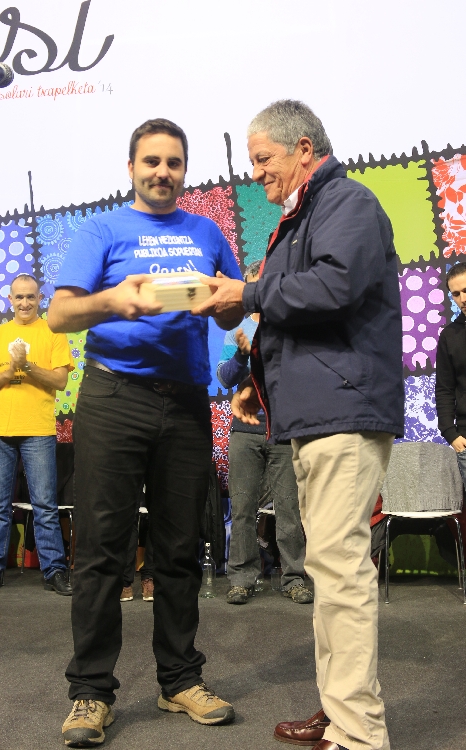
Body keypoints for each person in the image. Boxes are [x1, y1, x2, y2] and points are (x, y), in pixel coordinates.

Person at [192, 100, 404, 750]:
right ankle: (339, 709)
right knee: (328, 570)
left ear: (304, 149)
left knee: (339, 574)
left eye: (263, 159)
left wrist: (248, 292)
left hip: (343, 413)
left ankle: (358, 733)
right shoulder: (304, 215)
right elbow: (296, 318)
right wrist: (255, 384)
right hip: (316, 414)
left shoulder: (347, 202)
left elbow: (334, 288)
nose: (256, 172)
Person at [48, 118, 242, 747]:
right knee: (101, 550)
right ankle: (90, 693)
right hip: (113, 398)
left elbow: (233, 310)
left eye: (174, 163)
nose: (163, 172)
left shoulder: (207, 232)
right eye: (151, 161)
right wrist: (115, 300)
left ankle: (180, 680)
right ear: (131, 168)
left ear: (185, 171)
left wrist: (225, 299)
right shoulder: (101, 229)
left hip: (185, 403)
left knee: (180, 549)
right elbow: (59, 315)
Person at [0, 274, 73, 595]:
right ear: (10, 299)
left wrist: (27, 367)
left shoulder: (53, 333)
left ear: (40, 298)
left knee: (44, 505)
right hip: (1, 431)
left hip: (38, 430)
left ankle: (54, 570)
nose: (24, 303)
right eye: (19, 297)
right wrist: (9, 371)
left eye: (30, 297)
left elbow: (60, 381)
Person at [217, 260, 311, 605]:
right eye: (254, 284)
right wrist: (242, 356)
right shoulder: (237, 329)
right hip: (245, 431)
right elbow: (224, 377)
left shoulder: (290, 326)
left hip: (283, 429)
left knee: (289, 508)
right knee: (242, 507)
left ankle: (294, 577)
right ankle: (242, 579)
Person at [436, 261, 466, 485]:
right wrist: (450, 433)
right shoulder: (450, 336)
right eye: (456, 294)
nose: (463, 299)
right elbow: (444, 389)